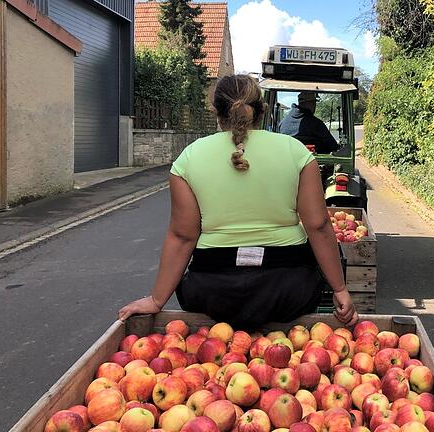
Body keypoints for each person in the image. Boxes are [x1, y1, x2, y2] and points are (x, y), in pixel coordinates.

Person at [117, 75, 358, 329]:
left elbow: (182, 236)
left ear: (216, 112)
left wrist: (156, 300)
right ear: (261, 110)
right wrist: (340, 290)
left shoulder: (189, 158)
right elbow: (318, 226)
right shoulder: (295, 151)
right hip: (290, 291)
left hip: (211, 293)